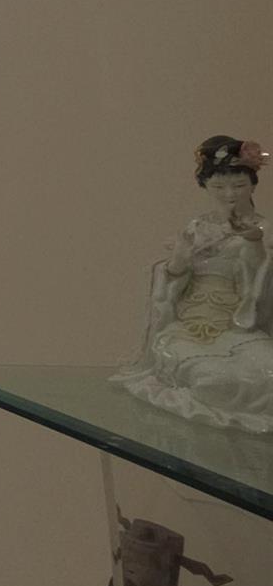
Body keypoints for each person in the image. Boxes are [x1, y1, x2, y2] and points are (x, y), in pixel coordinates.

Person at [114, 135, 272, 432]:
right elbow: (170, 283)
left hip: (239, 326)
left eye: (239, 185)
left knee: (268, 376)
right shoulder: (197, 228)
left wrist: (254, 245)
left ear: (252, 185)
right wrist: (178, 263)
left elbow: (263, 284)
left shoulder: (266, 229)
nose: (229, 194)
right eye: (219, 187)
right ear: (206, 186)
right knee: (213, 382)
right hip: (188, 327)